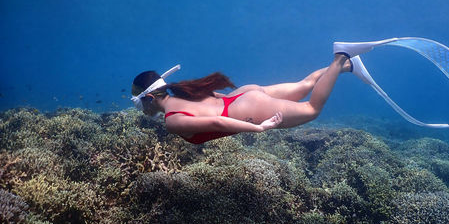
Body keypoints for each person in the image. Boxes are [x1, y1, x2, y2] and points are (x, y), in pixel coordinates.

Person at [131, 53, 352, 144]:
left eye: (139, 103)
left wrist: (259, 128)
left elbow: (217, 122)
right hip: (243, 96)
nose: (141, 109)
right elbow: (217, 99)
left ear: (149, 97)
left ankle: (341, 57)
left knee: (312, 109)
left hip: (249, 109)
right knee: (303, 85)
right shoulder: (182, 91)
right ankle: (350, 66)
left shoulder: (172, 120)